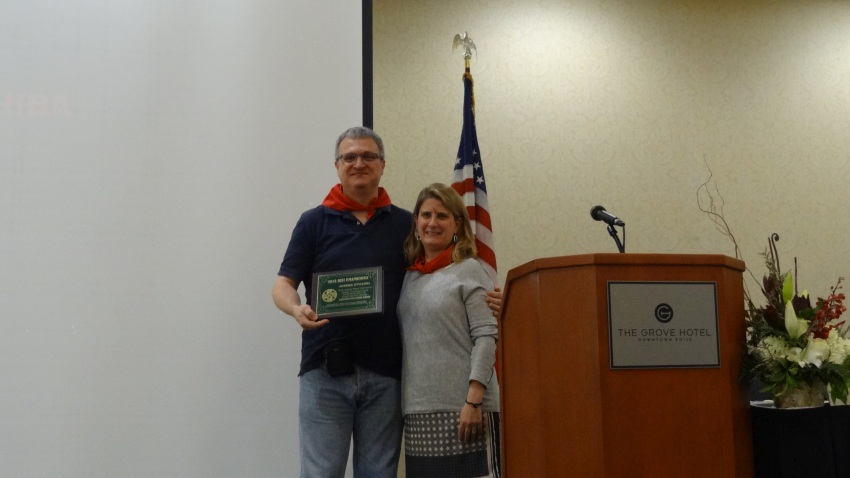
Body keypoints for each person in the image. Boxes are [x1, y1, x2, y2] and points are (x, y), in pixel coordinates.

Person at [272, 128, 501, 478]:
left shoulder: (404, 225)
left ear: (382, 165)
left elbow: (441, 275)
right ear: (337, 166)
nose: (359, 163)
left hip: (387, 377)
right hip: (325, 372)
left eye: (368, 156)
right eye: (350, 157)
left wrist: (493, 300)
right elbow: (283, 284)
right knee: (320, 473)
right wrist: (294, 308)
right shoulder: (312, 223)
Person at [397, 183, 501, 478]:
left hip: (467, 410)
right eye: (426, 215)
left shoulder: (470, 270)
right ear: (416, 222)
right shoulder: (410, 278)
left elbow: (486, 336)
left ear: (457, 224)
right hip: (419, 415)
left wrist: (473, 399)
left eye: (442, 216)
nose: (432, 223)